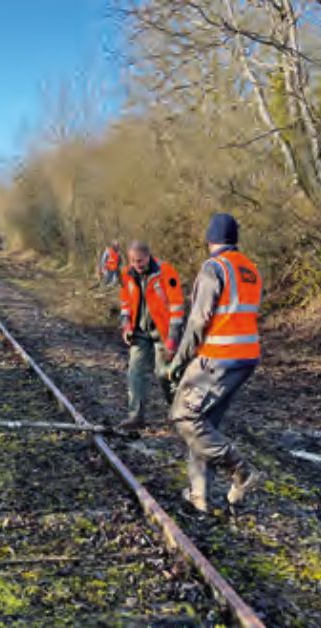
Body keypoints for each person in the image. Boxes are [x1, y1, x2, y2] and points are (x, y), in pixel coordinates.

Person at [165, 213, 262, 512]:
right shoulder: (249, 269)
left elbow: (198, 321)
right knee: (204, 424)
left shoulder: (213, 268)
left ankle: (241, 470)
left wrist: (178, 362)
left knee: (184, 416)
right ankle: (200, 497)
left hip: (219, 356)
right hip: (246, 357)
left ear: (209, 239)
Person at [116, 241, 184, 431]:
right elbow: (125, 303)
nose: (137, 264)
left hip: (163, 333)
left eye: (140, 260)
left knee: (165, 374)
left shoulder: (167, 272)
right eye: (132, 260)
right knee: (135, 372)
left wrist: (173, 339)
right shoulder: (127, 274)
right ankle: (136, 416)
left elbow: (177, 307)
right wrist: (126, 325)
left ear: (149, 256)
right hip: (139, 333)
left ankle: (178, 414)